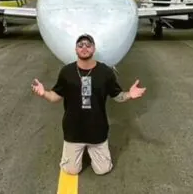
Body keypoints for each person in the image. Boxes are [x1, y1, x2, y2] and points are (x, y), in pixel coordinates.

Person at [31, 33, 146, 175]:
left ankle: (91, 151)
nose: (84, 47)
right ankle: (77, 152)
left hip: (97, 131)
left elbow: (117, 96)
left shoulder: (106, 72)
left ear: (94, 49)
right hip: (73, 131)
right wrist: (44, 93)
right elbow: (56, 96)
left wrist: (129, 94)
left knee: (103, 170)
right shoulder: (66, 72)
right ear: (75, 49)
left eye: (88, 45)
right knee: (71, 170)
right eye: (80, 45)